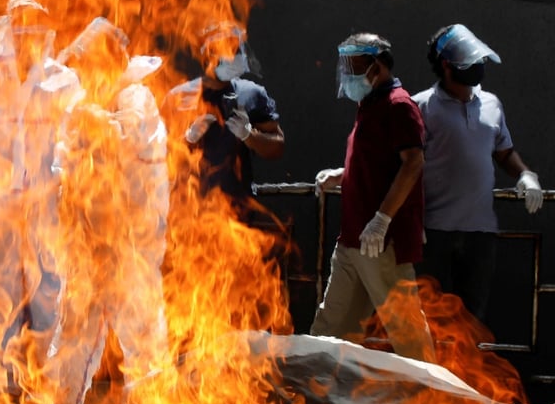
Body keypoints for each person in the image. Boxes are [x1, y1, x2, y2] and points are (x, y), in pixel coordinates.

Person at [47, 17, 171, 404]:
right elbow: (65, 168)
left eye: (89, 63)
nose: (82, 72)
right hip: (87, 241)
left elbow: (124, 140)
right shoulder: (85, 105)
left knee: (141, 333)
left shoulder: (136, 98)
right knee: (74, 330)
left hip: (129, 243)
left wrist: (95, 123)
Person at [0, 0, 81, 396]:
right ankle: (0, 381)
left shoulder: (63, 80)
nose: (26, 38)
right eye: (19, 30)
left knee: (47, 288)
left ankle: (41, 378)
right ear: (9, 32)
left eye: (34, 30)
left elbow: (73, 132)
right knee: (0, 292)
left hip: (45, 204)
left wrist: (61, 174)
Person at [310, 33, 436, 363]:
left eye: (352, 69)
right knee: (331, 325)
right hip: (352, 239)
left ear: (375, 68)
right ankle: (316, 397)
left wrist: (382, 220)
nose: (346, 77)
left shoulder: (399, 106)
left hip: (381, 244)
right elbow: (379, 162)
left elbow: (413, 163)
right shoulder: (369, 105)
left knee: (406, 331)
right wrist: (343, 175)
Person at [413, 24, 544, 322]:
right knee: (430, 318)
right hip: (434, 233)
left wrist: (525, 174)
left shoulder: (491, 104)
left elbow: (504, 152)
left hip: (479, 233)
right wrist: (411, 218)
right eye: (469, 62)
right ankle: (428, 371)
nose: (477, 67)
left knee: (471, 319)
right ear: (447, 66)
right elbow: (407, 165)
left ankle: (462, 372)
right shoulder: (420, 106)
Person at [163, 21, 284, 215]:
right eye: (228, 50)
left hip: (237, 212)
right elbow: (157, 158)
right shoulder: (178, 97)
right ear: (207, 55)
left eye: (237, 49)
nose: (235, 56)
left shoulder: (252, 94)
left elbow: (277, 147)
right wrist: (187, 140)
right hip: (187, 212)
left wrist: (248, 134)